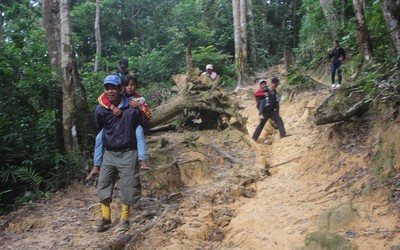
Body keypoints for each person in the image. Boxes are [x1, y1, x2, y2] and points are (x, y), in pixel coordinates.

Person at [94, 74, 144, 233]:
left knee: (128, 186)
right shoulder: (101, 109)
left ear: (120, 89)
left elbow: (144, 123)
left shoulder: (132, 106)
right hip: (109, 153)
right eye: (107, 88)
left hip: (128, 152)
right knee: (103, 184)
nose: (110, 91)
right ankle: (106, 217)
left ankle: (124, 219)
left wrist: (141, 108)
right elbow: (99, 126)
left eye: (113, 88)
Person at [86, 75, 151, 181]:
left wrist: (139, 106)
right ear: (123, 87)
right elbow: (101, 99)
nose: (129, 87)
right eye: (127, 85)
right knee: (99, 137)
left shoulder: (139, 98)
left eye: (132, 85)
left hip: (131, 127)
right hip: (113, 129)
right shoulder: (117, 95)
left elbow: (148, 115)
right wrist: (112, 107)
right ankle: (96, 166)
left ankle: (142, 160)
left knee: (139, 132)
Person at [252, 77, 289, 142]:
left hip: (272, 111)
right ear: (272, 84)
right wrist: (264, 94)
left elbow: (275, 102)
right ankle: (254, 138)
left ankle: (283, 134)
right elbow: (256, 94)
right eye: (275, 84)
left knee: (279, 120)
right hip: (265, 111)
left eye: (277, 85)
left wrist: (276, 110)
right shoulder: (265, 89)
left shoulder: (274, 91)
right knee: (261, 125)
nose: (276, 86)